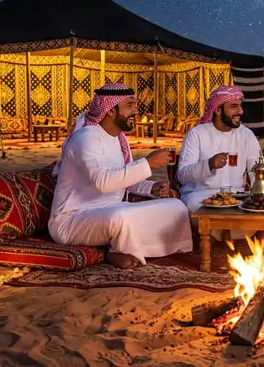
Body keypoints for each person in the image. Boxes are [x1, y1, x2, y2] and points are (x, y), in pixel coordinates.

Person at [49, 83, 193, 269]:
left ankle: (123, 248)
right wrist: (147, 163)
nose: (136, 110)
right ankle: (118, 251)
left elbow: (122, 181)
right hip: (72, 219)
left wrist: (151, 188)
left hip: (111, 209)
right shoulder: (85, 139)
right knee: (121, 217)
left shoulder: (119, 139)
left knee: (176, 206)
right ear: (110, 110)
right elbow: (104, 183)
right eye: (129, 105)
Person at [176, 85, 263, 239]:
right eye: (234, 107)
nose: (240, 112)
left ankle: (228, 235)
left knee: (256, 211)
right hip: (200, 196)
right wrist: (208, 164)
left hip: (236, 196)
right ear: (217, 110)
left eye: (240, 106)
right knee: (198, 209)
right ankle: (223, 235)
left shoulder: (246, 135)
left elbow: (258, 171)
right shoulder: (196, 134)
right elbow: (183, 175)